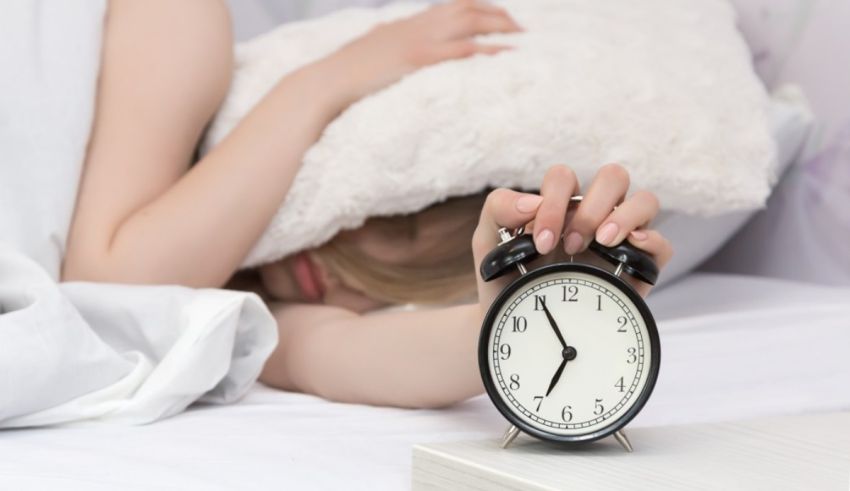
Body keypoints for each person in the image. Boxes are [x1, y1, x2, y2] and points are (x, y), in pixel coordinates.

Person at [64, 0, 672, 408]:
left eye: (396, 287)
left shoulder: (240, 310)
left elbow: (332, 353)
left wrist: (528, 315)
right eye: (391, 222)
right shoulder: (176, 23)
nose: (343, 264)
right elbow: (110, 293)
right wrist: (322, 86)